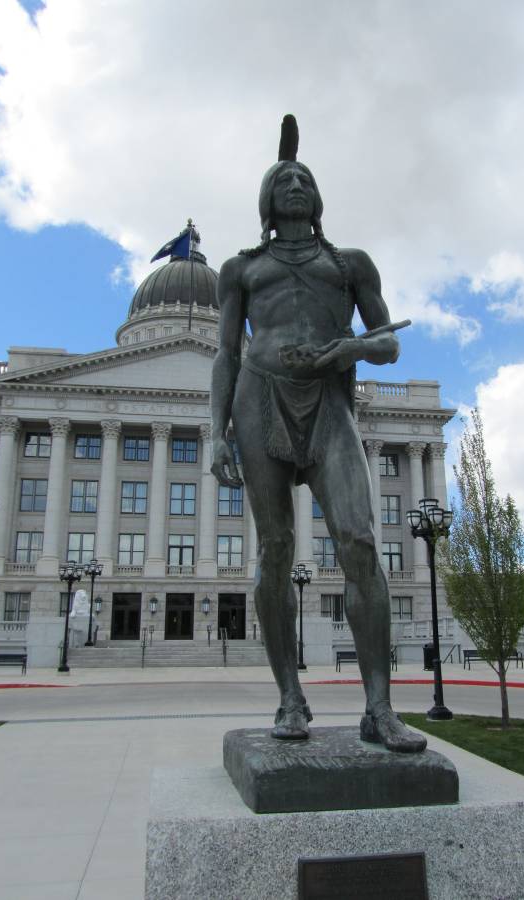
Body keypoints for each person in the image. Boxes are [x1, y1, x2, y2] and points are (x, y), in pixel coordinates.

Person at [211, 115, 425, 752]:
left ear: (317, 197)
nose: (296, 183)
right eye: (285, 179)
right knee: (275, 550)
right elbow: (225, 352)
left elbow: (387, 344)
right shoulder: (241, 269)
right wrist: (215, 431)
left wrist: (345, 351)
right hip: (259, 397)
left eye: (305, 178)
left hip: (330, 404)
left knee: (359, 542)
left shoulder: (351, 264)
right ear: (267, 201)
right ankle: (289, 699)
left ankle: (379, 709)